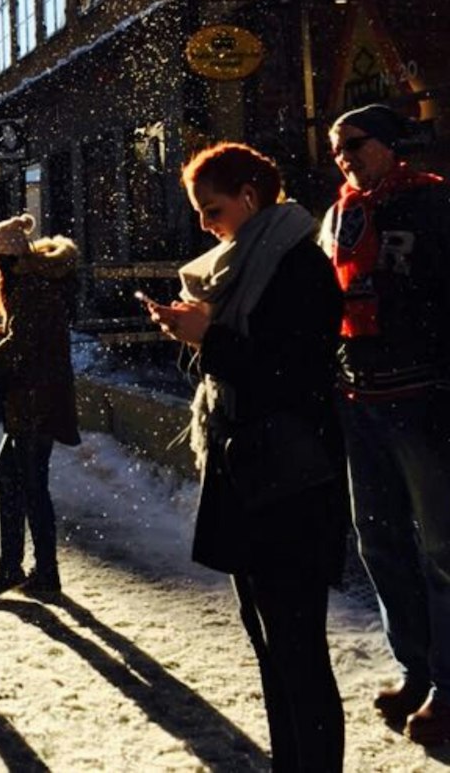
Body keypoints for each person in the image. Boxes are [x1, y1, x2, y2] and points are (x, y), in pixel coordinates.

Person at [146, 143, 346, 772]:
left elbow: (292, 373)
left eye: (213, 209)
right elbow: (240, 361)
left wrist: (212, 337)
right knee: (268, 641)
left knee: (297, 646)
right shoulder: (241, 265)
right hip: (249, 472)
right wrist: (198, 332)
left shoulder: (299, 265)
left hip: (290, 477)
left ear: (252, 198)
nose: (206, 225)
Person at [321, 102, 450, 746]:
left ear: (392, 145)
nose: (344, 156)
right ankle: (416, 670)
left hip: (422, 397)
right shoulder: (340, 214)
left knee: (441, 550)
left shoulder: (432, 207)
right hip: (359, 398)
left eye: (355, 144)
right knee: (379, 542)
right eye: (336, 148)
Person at [0, 212, 81, 602]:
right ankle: (34, 569)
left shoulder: (26, 286)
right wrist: (4, 330)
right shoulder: (37, 283)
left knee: (24, 484)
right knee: (19, 480)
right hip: (39, 400)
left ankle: (27, 569)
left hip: (34, 403)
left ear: (6, 260)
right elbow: (27, 334)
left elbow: (23, 345)